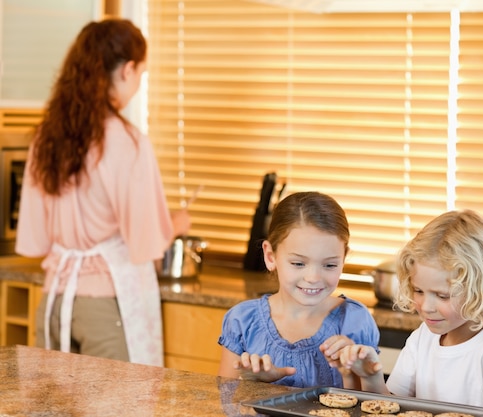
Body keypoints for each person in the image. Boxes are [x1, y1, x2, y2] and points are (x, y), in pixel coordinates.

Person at [15, 18, 191, 366]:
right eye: (141, 74)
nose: (139, 83)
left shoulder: (46, 138)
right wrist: (176, 224)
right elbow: (146, 241)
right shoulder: (128, 143)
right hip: (107, 305)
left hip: (54, 297)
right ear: (127, 70)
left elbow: (34, 240)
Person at [335, 209, 483, 416]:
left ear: (482, 290)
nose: (425, 306)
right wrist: (371, 377)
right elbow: (391, 408)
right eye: (418, 291)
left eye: (442, 296)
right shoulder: (422, 339)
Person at [218, 191, 380, 388]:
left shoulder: (355, 321)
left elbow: (368, 407)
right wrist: (253, 385)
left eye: (329, 265)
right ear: (270, 256)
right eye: (298, 263)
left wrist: (350, 371)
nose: (313, 278)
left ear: (343, 258)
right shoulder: (242, 322)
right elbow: (224, 402)